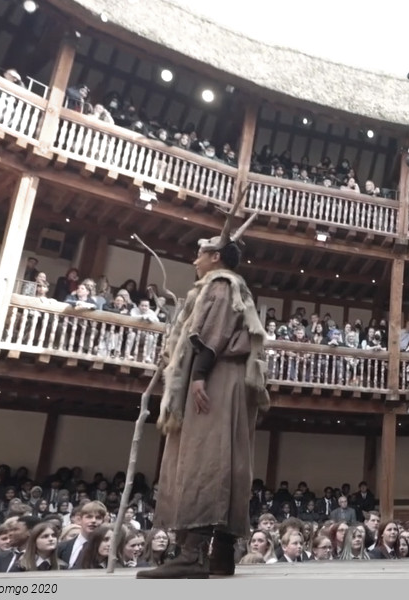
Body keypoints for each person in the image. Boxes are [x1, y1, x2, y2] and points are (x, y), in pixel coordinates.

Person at [137, 204, 269, 579]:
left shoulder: (221, 285)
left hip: (215, 377)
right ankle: (221, 554)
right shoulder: (231, 286)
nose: (195, 260)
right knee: (227, 459)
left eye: (200, 254)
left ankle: (191, 554)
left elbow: (211, 334)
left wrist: (198, 375)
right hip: (227, 378)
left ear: (215, 257)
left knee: (204, 457)